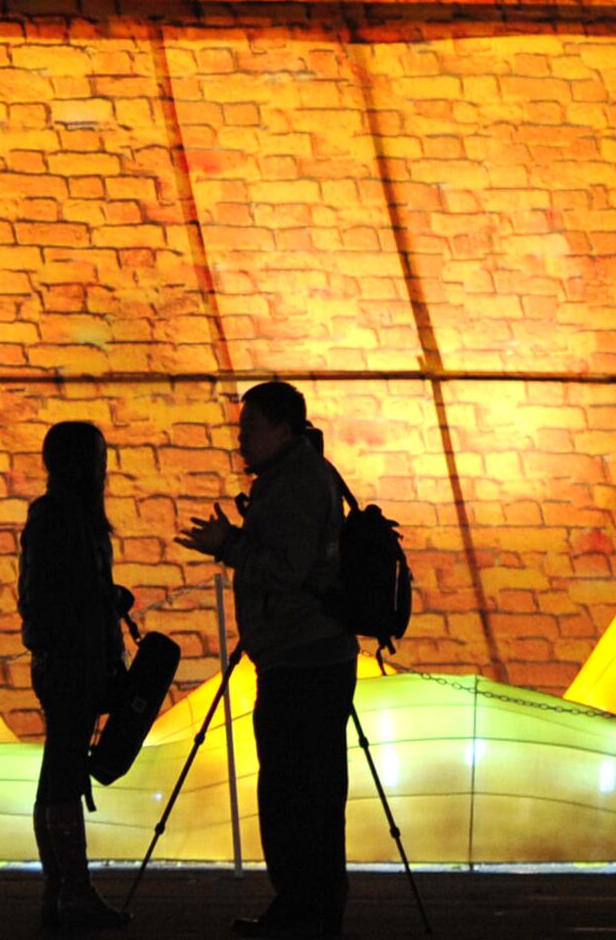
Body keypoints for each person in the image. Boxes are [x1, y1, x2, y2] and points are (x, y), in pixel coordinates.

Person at [184, 380, 352, 937]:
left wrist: (228, 547)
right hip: (303, 654)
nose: (241, 440)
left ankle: (302, 909)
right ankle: (312, 908)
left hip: (302, 658)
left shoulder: (297, 484)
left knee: (293, 791)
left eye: (250, 428)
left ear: (283, 428)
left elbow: (287, 568)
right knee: (310, 790)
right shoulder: (295, 477)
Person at [20, 417, 132, 930]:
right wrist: (93, 614)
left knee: (58, 773)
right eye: (98, 457)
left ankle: (62, 889)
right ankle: (73, 892)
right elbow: (49, 596)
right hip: (72, 662)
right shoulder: (64, 518)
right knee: (64, 774)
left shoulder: (60, 516)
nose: (104, 467)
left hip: (70, 660)